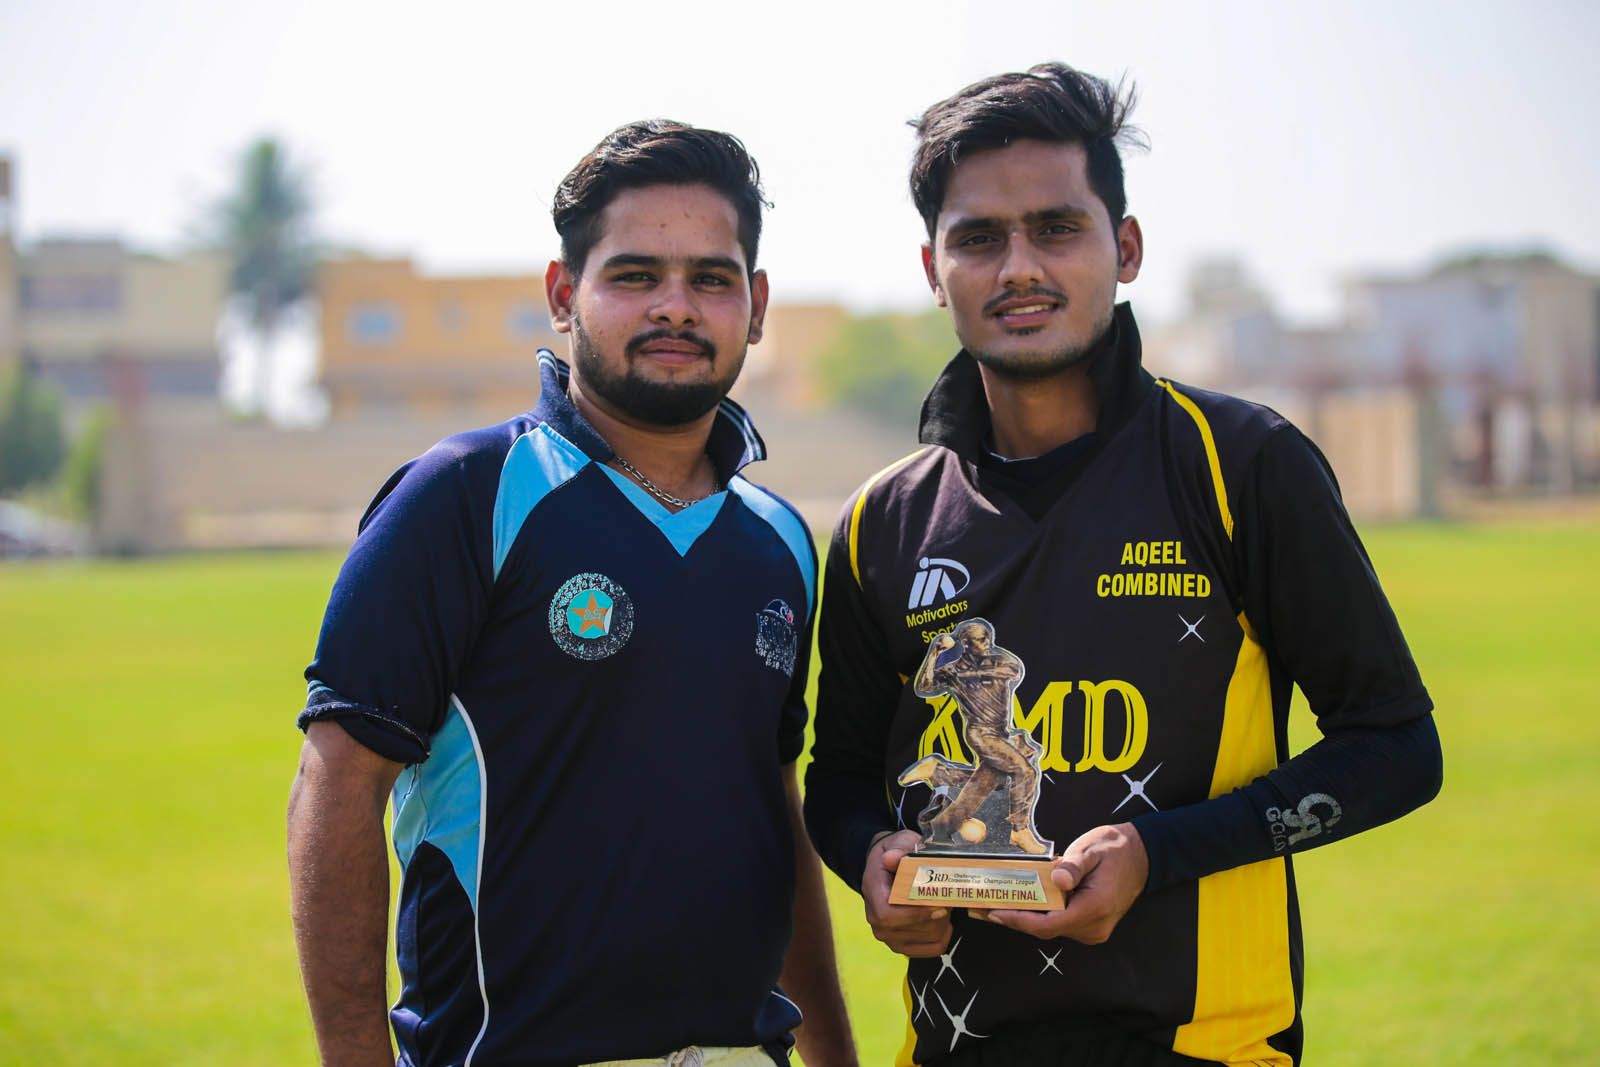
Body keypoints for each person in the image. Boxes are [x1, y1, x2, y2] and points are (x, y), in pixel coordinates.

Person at [803, 63, 1443, 1067]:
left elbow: (1397, 746)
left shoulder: (1241, 464)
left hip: (1207, 1048)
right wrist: (872, 857)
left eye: (1057, 228)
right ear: (933, 267)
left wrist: (1158, 853)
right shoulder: (880, 520)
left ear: (1126, 247)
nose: (1019, 267)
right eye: (979, 237)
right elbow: (839, 776)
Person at [288, 119, 857, 1067]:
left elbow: (774, 810)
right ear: (564, 295)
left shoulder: (782, 541)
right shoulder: (465, 494)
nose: (675, 306)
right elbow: (338, 785)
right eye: (634, 275)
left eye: (711, 279)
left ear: (756, 306)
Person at [902, 619, 1048, 854]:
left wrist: (967, 675)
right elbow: (925, 687)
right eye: (980, 640)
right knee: (1025, 771)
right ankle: (1020, 830)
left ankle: (939, 772)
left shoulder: (1000, 661)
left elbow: (1014, 671)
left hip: (1000, 732)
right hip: (980, 733)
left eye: (987, 638)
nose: (987, 643)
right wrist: (935, 653)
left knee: (996, 782)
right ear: (966, 644)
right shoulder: (953, 670)